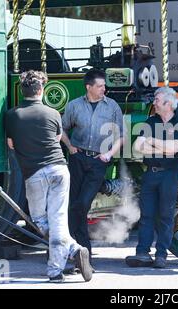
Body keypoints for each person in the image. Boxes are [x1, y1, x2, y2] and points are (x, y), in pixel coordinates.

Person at [5, 70, 93, 283]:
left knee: (40, 220)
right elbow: (56, 138)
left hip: (34, 173)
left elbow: (11, 144)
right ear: (41, 90)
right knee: (58, 220)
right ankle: (74, 249)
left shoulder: (12, 115)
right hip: (59, 170)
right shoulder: (53, 113)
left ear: (22, 91)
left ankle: (56, 270)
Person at [61, 69, 125, 262]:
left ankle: (77, 248)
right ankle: (79, 250)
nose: (104, 88)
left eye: (104, 85)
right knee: (74, 203)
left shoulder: (112, 106)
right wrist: (70, 146)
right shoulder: (74, 106)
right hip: (78, 157)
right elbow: (62, 128)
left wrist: (109, 154)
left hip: (99, 161)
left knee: (82, 203)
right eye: (100, 86)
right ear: (89, 87)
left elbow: (121, 136)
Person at [125, 87, 178, 269]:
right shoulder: (150, 121)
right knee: (146, 215)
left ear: (168, 103)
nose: (154, 103)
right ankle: (142, 253)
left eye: (157, 100)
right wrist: (162, 147)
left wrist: (151, 141)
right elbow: (138, 146)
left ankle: (161, 255)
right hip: (151, 173)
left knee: (166, 215)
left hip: (170, 175)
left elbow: (175, 148)